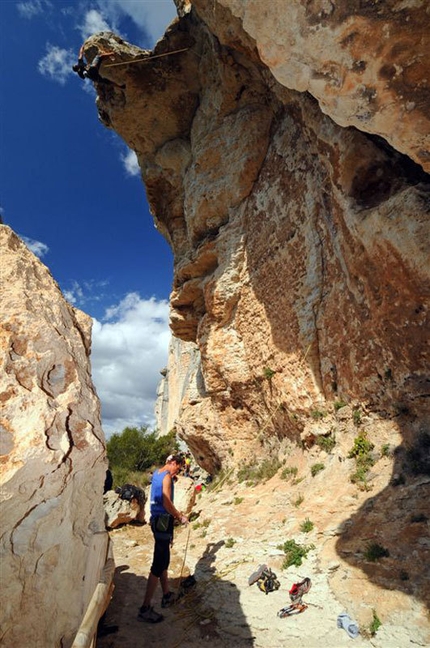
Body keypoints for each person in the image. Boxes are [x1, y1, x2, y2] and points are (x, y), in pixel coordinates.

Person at [138, 454, 188, 623]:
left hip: (156, 521)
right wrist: (179, 516)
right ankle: (145, 608)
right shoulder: (166, 477)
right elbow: (166, 503)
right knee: (158, 564)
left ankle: (166, 595)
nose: (177, 472)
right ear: (172, 463)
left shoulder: (157, 473)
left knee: (163, 559)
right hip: (162, 522)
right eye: (177, 468)